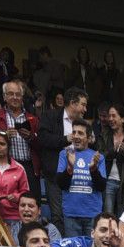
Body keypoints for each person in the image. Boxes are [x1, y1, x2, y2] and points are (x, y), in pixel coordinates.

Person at [38, 86, 89, 231]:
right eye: (83, 105)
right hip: (55, 174)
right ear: (73, 103)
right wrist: (65, 139)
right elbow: (43, 139)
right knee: (57, 215)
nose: (85, 110)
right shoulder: (50, 116)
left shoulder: (83, 124)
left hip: (78, 176)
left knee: (75, 214)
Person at [56, 119, 106, 238]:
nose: (76, 136)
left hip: (92, 214)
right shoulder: (64, 154)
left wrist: (93, 170)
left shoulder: (98, 157)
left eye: (80, 133)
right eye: (74, 132)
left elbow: (102, 187)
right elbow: (61, 184)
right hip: (71, 214)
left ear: (88, 138)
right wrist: (70, 168)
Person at [0, 81, 38, 184]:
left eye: (18, 94)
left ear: (22, 97)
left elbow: (41, 143)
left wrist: (30, 137)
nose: (15, 97)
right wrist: (3, 136)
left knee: (30, 199)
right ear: (4, 97)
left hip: (28, 167)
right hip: (4, 166)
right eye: (11, 94)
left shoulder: (32, 118)